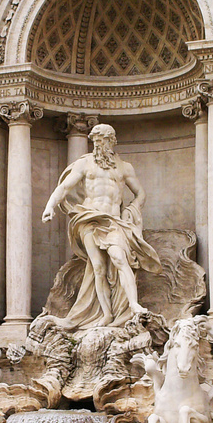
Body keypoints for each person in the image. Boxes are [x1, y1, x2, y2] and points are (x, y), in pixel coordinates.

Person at [42, 123, 161, 329]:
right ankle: (106, 314)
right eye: (95, 141)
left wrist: (131, 209)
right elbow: (64, 187)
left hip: (113, 221)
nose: (99, 145)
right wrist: (50, 206)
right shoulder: (85, 164)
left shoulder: (124, 167)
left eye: (103, 141)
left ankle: (133, 305)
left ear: (112, 141)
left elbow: (140, 193)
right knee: (97, 267)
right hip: (89, 218)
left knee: (119, 258)